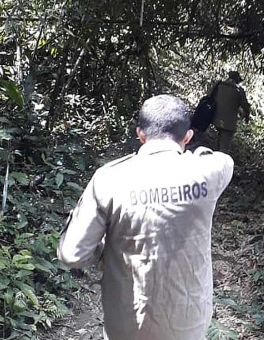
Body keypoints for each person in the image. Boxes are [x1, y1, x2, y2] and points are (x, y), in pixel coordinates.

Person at [57, 94, 234, 340]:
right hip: (188, 323)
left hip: (127, 324)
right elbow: (224, 160)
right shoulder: (210, 172)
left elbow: (72, 254)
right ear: (187, 137)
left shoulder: (108, 179)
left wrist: (107, 253)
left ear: (140, 134)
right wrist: (198, 154)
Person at [211, 70, 251, 153]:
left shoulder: (219, 85)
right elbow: (245, 106)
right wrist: (247, 117)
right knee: (224, 147)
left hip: (216, 119)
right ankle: (222, 163)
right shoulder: (239, 90)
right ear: (237, 80)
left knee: (219, 141)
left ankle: (216, 157)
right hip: (229, 122)